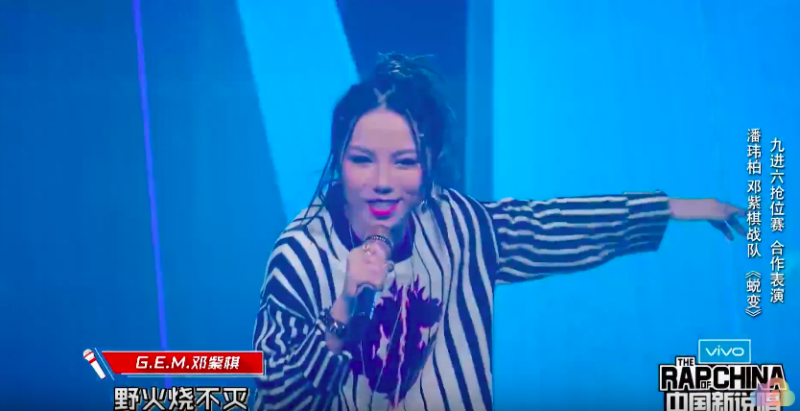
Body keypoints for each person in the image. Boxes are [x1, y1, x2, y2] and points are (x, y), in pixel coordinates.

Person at [251, 53, 745, 411]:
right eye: (363, 159)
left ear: (430, 164)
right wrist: (342, 309)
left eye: (403, 162)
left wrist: (681, 208)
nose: (382, 182)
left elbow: (551, 226)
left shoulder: (459, 225)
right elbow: (275, 394)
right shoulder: (301, 254)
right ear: (339, 159)